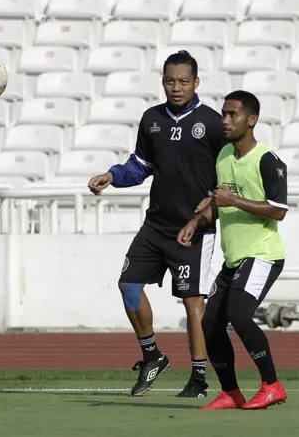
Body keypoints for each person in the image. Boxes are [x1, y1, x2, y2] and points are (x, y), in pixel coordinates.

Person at [87, 50, 226, 398]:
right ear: (162, 81)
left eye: (183, 81)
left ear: (196, 82)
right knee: (128, 286)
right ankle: (152, 355)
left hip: (194, 230)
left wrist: (208, 208)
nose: (175, 87)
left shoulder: (212, 123)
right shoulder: (151, 119)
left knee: (193, 302)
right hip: (156, 225)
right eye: (169, 81)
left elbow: (227, 178)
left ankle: (197, 378)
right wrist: (112, 175)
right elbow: (140, 165)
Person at [177, 90, 288, 410]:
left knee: (239, 314)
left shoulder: (267, 160)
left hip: (263, 253)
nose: (224, 120)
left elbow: (278, 210)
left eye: (232, 115)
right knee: (209, 324)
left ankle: (272, 386)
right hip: (235, 258)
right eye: (224, 113)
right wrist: (196, 221)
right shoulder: (224, 154)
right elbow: (218, 203)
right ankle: (230, 392)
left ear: (251, 120)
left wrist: (230, 201)